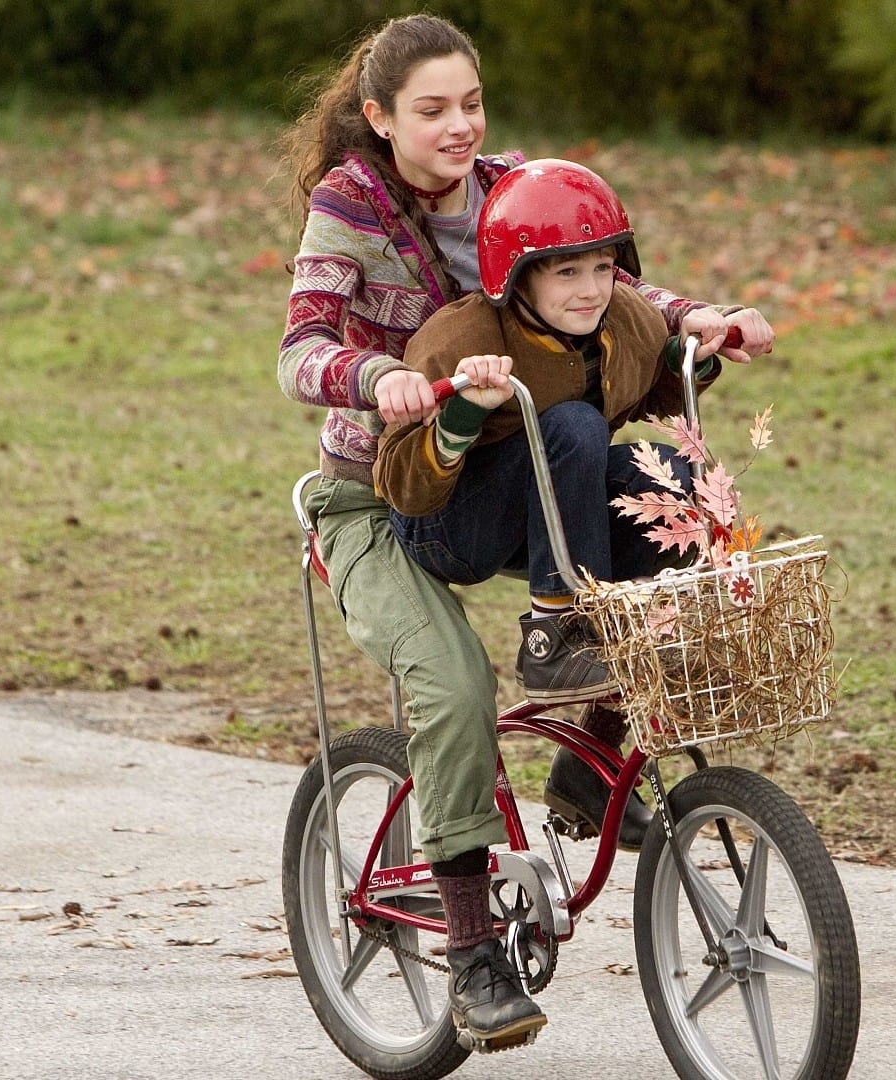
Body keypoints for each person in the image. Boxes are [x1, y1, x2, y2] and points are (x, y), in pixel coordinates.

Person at [274, 14, 771, 1051]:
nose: (460, 127)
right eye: (432, 110)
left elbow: (603, 285)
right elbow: (301, 349)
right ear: (378, 116)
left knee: (666, 511)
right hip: (385, 493)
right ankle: (472, 953)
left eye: (472, 103)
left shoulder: (507, 184)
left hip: (515, 469)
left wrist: (700, 319)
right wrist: (382, 377)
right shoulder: (350, 207)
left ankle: (593, 756)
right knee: (454, 685)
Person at [374, 158, 761, 703]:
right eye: (567, 272)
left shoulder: (625, 318)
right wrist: (462, 416)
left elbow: (642, 391)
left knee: (676, 484)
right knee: (575, 426)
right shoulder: (459, 338)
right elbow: (403, 491)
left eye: (602, 268)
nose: (591, 291)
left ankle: (606, 721)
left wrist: (688, 358)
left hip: (556, 513)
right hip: (450, 528)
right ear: (515, 276)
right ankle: (554, 640)